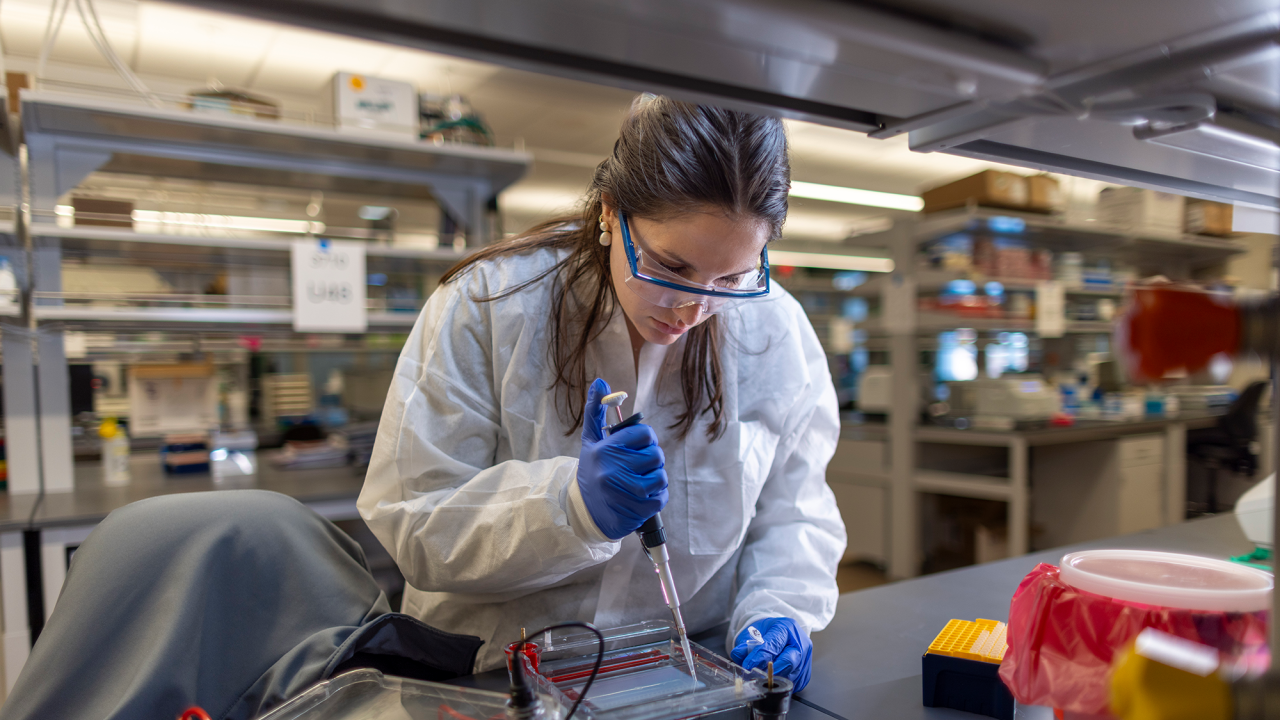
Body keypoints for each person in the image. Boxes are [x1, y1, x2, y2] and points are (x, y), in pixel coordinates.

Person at [359, 95, 846, 691]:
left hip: (681, 673)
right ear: (611, 212)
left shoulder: (776, 331)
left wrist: (778, 609)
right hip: (495, 678)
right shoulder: (488, 304)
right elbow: (414, 522)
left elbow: (795, 510)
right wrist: (571, 508)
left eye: (731, 278)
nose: (696, 309)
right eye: (671, 267)